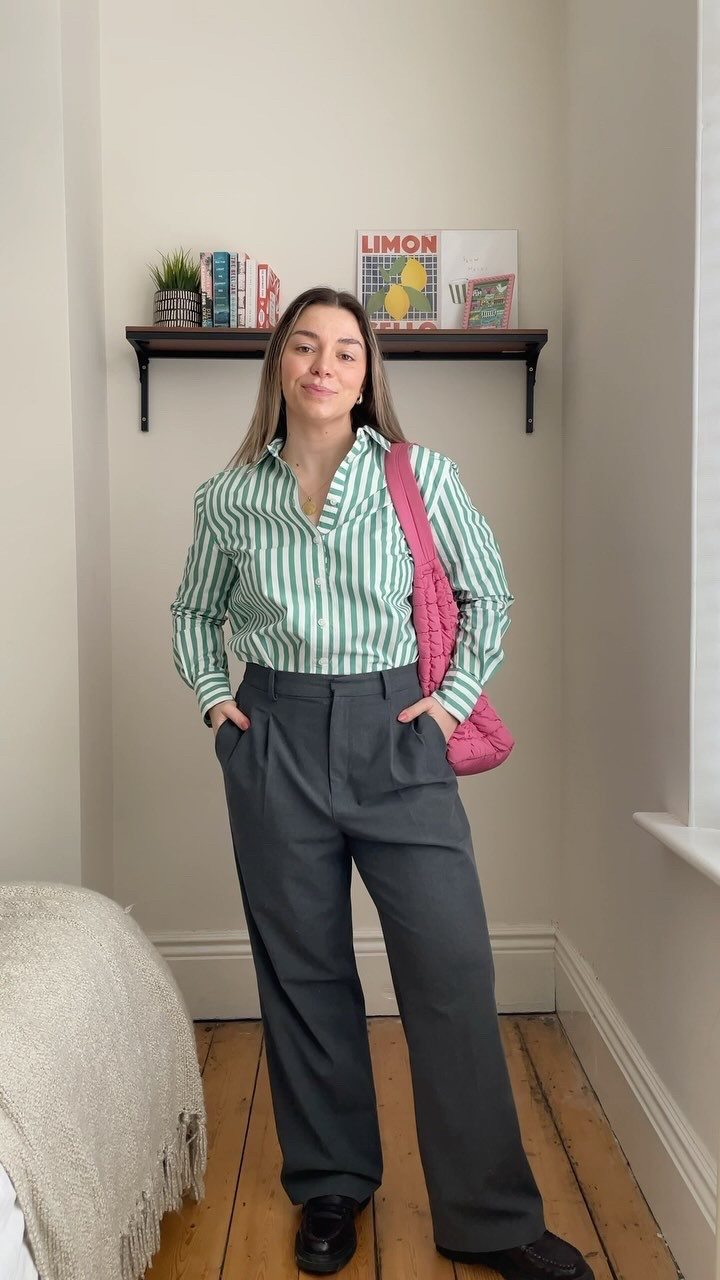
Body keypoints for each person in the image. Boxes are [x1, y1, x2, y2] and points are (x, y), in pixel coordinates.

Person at [170, 286, 593, 1280]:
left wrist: (447, 703)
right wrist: (212, 700)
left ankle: (487, 1215)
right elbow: (195, 613)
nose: (325, 365)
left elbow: (490, 590)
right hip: (272, 734)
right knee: (304, 973)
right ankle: (330, 1182)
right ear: (279, 363)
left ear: (367, 376)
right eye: (306, 346)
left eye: (346, 352)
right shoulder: (228, 496)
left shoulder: (421, 475)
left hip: (398, 736)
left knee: (451, 970)